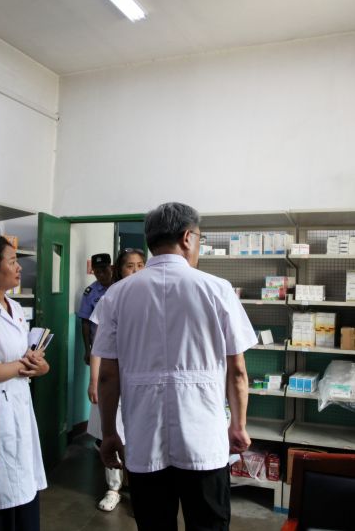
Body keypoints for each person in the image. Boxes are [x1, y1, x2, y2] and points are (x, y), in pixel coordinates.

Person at [93, 203, 255, 531]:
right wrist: (238, 426)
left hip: (143, 439)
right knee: (208, 524)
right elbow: (237, 371)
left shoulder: (117, 295)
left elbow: (108, 376)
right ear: (187, 237)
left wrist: (109, 433)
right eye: (199, 238)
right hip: (203, 440)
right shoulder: (217, 289)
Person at [0, 235, 50, 530]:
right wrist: (23, 366)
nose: (19, 268)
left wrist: (40, 366)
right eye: (13, 261)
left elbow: (28, 357)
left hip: (20, 407)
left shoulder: (16, 309)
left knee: (24, 491)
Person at [86, 248, 146, 512]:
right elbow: (98, 347)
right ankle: (113, 488)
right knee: (112, 432)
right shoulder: (109, 298)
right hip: (114, 379)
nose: (135, 271)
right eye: (130, 266)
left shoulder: (154, 296)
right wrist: (94, 381)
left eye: (140, 265)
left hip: (142, 378)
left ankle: (138, 487)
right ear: (119, 270)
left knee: (140, 435)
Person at [77, 253, 114, 365]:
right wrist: (87, 349)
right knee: (98, 375)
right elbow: (85, 322)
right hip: (99, 345)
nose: (101, 275)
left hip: (119, 343)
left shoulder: (121, 286)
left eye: (104, 270)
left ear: (111, 268)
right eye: (97, 272)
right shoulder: (90, 292)